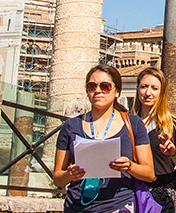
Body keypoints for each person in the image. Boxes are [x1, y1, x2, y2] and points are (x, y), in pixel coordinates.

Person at [53, 64, 158, 213]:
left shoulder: (133, 124)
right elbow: (57, 178)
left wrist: (129, 166)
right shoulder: (70, 126)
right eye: (92, 86)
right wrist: (70, 174)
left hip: (118, 205)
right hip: (77, 206)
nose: (98, 90)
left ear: (117, 92)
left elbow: (149, 173)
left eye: (105, 86)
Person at [135, 66, 176, 212]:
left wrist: (174, 155)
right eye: (144, 87)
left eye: (154, 88)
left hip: (162, 194)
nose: (148, 93)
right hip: (131, 191)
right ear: (137, 89)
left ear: (162, 92)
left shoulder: (174, 125)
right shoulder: (127, 123)